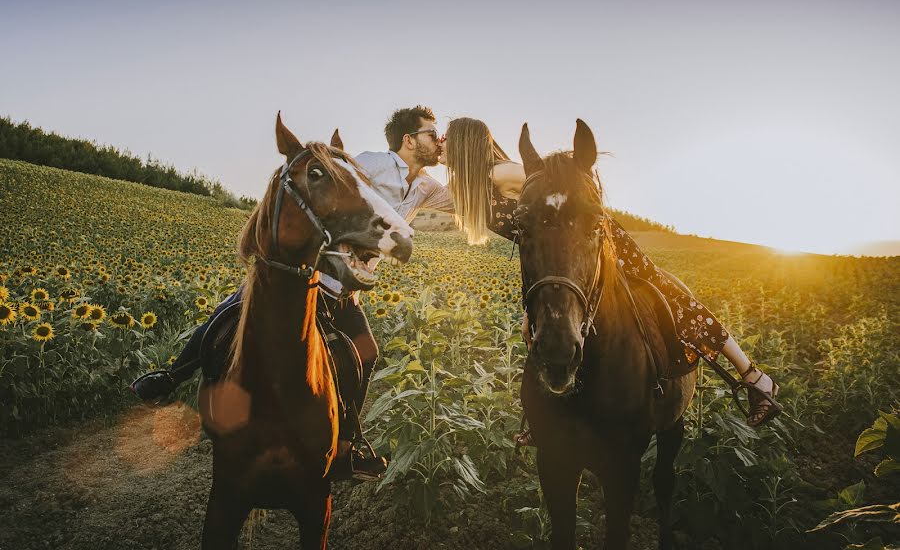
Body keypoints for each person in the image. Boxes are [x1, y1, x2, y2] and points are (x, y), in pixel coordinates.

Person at [131, 105, 453, 479]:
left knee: (365, 356)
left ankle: (347, 446)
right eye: (433, 134)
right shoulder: (369, 163)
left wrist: (459, 157)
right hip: (303, 274)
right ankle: (174, 375)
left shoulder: (427, 187)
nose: (438, 139)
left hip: (344, 291)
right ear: (409, 140)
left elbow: (465, 202)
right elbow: (326, 183)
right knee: (227, 315)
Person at [439, 117, 782, 431]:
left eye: (445, 142)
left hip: (590, 241)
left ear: (464, 148)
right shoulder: (472, 192)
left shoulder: (503, 173)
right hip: (555, 259)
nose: (440, 148)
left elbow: (554, 192)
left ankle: (754, 378)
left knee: (672, 296)